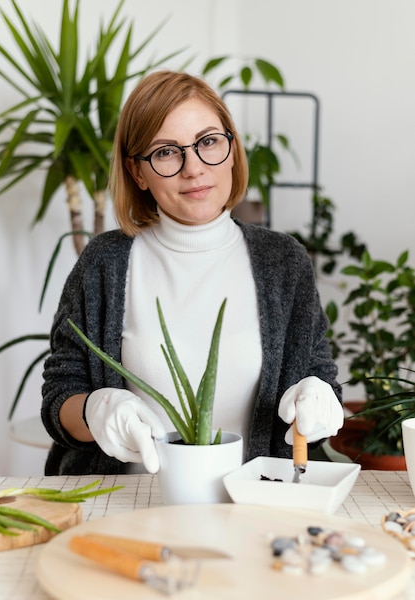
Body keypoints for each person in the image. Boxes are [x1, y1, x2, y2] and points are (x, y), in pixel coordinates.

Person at [41, 70, 343, 476]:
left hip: (254, 507)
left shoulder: (283, 261)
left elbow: (318, 384)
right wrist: (95, 410)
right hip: (129, 506)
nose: (193, 168)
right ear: (137, 173)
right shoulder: (104, 262)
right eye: (166, 152)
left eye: (208, 142)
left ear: (232, 149)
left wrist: (319, 399)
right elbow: (60, 398)